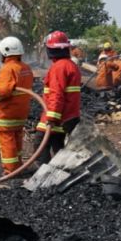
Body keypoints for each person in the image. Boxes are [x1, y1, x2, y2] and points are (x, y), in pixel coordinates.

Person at [0, 36, 34, 174]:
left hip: (6, 113)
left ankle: (11, 170)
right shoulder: (25, 68)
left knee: (7, 141)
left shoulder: (8, 69)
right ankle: (18, 166)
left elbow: (1, 93)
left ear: (6, 52)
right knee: (16, 140)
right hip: (20, 113)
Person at [36, 30, 82, 163]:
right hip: (68, 116)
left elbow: (56, 94)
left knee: (40, 144)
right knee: (58, 147)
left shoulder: (59, 67)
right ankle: (60, 169)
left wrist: (52, 118)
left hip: (57, 117)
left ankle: (44, 172)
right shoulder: (71, 65)